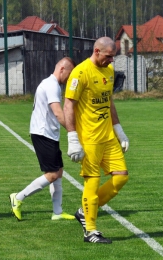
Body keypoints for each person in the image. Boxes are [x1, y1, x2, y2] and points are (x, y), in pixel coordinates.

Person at [63, 37, 129, 243]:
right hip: (89, 138)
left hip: (108, 136)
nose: (111, 61)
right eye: (108, 56)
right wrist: (72, 137)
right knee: (92, 181)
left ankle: (84, 211)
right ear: (97, 51)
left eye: (113, 57)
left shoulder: (108, 71)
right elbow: (68, 105)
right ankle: (90, 230)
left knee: (121, 177)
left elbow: (109, 102)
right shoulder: (80, 72)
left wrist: (119, 130)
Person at [9, 57, 76, 221]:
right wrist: (73, 133)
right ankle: (18, 197)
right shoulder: (52, 85)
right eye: (70, 74)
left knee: (58, 171)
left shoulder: (49, 84)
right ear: (62, 69)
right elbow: (58, 112)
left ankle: (57, 212)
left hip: (48, 133)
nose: (69, 79)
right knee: (52, 174)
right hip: (43, 133)